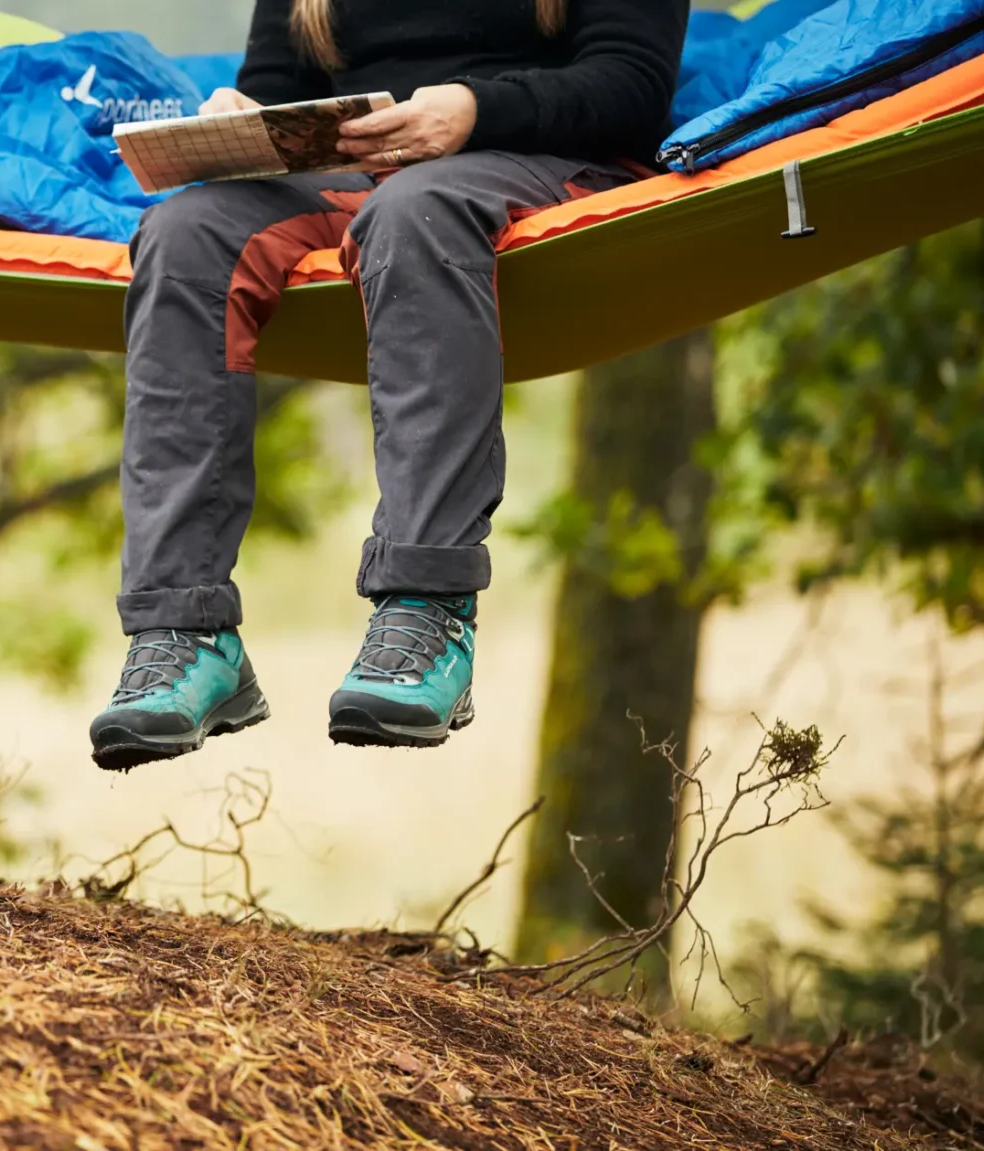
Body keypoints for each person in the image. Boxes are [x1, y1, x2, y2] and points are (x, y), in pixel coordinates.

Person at [89, 0, 688, 770]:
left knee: (416, 210)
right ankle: (184, 629)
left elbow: (632, 89)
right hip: (351, 174)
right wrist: (246, 121)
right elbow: (273, 83)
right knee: (180, 235)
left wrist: (475, 109)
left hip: (543, 156)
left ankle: (429, 609)